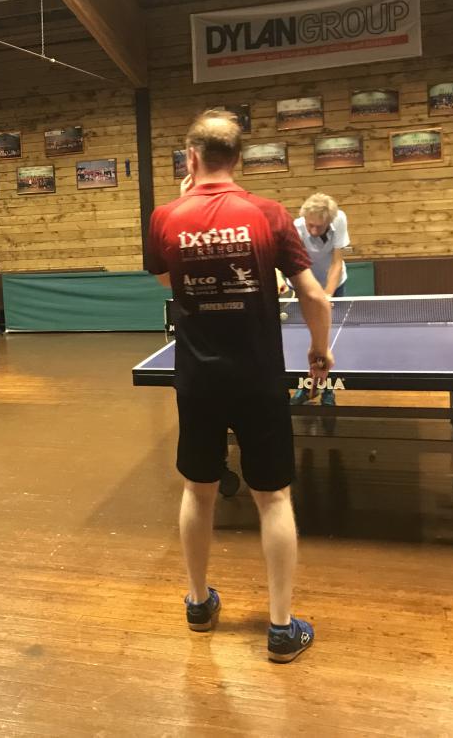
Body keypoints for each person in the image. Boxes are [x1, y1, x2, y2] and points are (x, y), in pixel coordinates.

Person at [144, 110, 333, 664]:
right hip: (258, 376)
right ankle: (281, 629)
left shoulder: (164, 217)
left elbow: (166, 278)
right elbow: (314, 296)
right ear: (240, 158)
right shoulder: (269, 214)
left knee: (197, 490)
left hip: (197, 378)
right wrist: (320, 350)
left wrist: (187, 213)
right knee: (273, 498)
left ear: (191, 157)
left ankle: (199, 605)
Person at [290, 193, 349, 406]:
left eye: (320, 227)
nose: (314, 231)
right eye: (310, 226)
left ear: (329, 221)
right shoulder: (295, 228)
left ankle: (327, 390)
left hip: (333, 285)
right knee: (307, 338)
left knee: (329, 340)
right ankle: (307, 387)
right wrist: (312, 295)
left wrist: (327, 295)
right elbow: (297, 266)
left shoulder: (339, 219)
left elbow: (336, 262)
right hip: (305, 284)